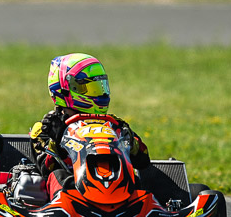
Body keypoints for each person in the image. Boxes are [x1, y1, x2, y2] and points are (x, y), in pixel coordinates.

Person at [30, 53, 150, 199]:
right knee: (58, 176)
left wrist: (127, 140)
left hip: (117, 190)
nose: (98, 94)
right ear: (65, 89)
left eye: (98, 87)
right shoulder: (44, 128)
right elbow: (47, 170)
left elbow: (143, 160)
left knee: (134, 179)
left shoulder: (114, 124)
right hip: (72, 192)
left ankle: (136, 210)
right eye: (88, 88)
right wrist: (59, 138)